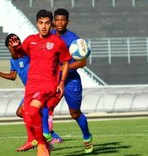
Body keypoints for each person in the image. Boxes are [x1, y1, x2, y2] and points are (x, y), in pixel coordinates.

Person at [9, 9, 71, 156]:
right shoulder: (30, 40)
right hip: (31, 84)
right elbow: (17, 55)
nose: (44, 26)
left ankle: (41, 144)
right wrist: (13, 48)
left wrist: (61, 82)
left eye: (47, 23)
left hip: (47, 85)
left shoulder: (57, 42)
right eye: (41, 23)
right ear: (37, 23)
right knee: (27, 112)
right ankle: (37, 141)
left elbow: (66, 62)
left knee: (34, 109)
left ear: (52, 25)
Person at [0, 33, 61, 152]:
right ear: (8, 47)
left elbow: (18, 54)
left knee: (34, 110)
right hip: (30, 89)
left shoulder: (27, 53)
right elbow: (13, 76)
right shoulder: (13, 60)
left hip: (40, 85)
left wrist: (15, 47)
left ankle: (41, 138)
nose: (17, 43)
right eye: (12, 42)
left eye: (17, 40)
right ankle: (46, 136)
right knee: (21, 112)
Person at [51, 8, 93, 154]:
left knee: (75, 113)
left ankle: (87, 137)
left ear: (68, 21)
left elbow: (82, 62)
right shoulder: (48, 35)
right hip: (52, 80)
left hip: (71, 81)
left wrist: (64, 68)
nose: (60, 23)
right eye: (57, 20)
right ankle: (50, 137)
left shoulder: (74, 39)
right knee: (44, 108)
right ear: (54, 21)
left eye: (63, 20)